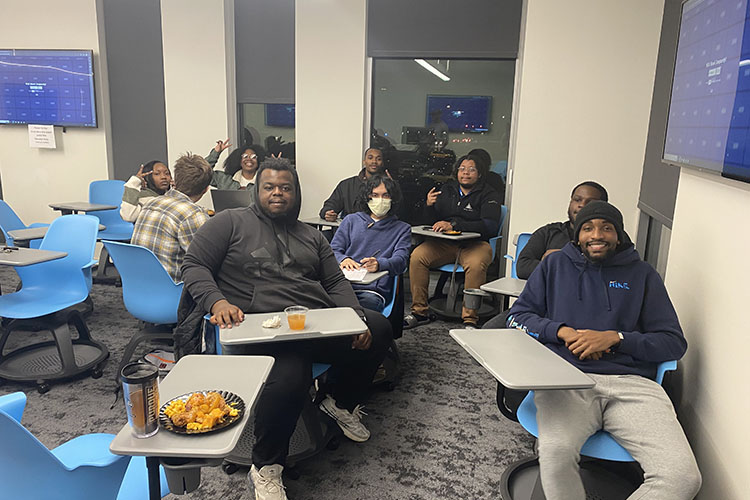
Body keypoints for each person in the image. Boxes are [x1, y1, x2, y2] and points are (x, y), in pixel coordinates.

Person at [179, 157, 392, 500]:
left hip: (313, 325)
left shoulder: (312, 236)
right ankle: (265, 466)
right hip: (258, 332)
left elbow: (335, 280)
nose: (277, 193)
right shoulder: (229, 224)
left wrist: (356, 317)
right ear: (257, 191)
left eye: (285, 188)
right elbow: (194, 266)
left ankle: (338, 402)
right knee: (292, 373)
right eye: (269, 187)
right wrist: (217, 302)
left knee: (378, 328)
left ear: (296, 193)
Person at [505, 200, 701, 500]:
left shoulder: (643, 274)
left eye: (607, 228)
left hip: (633, 386)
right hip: (566, 380)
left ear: (619, 235)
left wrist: (616, 338)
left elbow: (673, 341)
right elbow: (516, 317)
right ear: (577, 235)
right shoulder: (554, 266)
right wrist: (562, 332)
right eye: (588, 228)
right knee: (555, 455)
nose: (597, 234)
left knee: (683, 477)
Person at [404, 153, 502, 329]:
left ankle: (470, 319)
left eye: (471, 170)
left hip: (475, 245)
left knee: (476, 263)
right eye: (462, 169)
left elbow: (489, 226)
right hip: (445, 244)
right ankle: (419, 312)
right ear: (456, 172)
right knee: (417, 256)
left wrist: (454, 224)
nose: (465, 173)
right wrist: (428, 205)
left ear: (479, 174)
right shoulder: (446, 190)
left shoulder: (489, 194)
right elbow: (428, 222)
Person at [330, 174, 411, 312]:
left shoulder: (402, 229)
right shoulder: (350, 221)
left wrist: (380, 264)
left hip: (371, 291)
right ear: (367, 197)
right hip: (343, 286)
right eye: (375, 195)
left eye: (386, 196)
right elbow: (332, 250)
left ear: (393, 199)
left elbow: (401, 261)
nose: (380, 200)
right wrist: (343, 259)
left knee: (360, 310)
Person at [131, 153, 212, 282]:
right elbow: (208, 261)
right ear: (206, 189)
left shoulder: (151, 203)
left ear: (175, 181)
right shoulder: (193, 215)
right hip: (174, 292)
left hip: (138, 287)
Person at [515, 181, 608, 280]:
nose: (582, 205)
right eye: (577, 200)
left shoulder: (612, 236)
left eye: (590, 202)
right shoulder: (548, 232)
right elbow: (523, 268)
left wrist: (559, 260)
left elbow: (618, 271)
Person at [319, 147, 385, 222]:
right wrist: (328, 213)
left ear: (382, 163)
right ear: (364, 161)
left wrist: (393, 189)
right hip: (349, 230)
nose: (374, 161)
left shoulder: (387, 186)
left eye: (378, 159)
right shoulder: (346, 185)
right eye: (370, 158)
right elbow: (331, 205)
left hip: (378, 229)